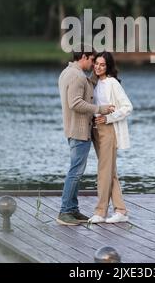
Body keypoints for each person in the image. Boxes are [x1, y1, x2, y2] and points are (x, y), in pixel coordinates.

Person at [57, 46, 114, 226]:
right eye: (91, 60)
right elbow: (75, 103)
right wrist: (100, 109)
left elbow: (83, 90)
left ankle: (72, 209)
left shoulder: (68, 72)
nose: (92, 64)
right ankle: (65, 211)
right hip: (79, 130)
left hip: (72, 129)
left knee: (76, 170)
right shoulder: (77, 76)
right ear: (83, 57)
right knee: (75, 172)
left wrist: (97, 78)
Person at [89, 51, 133, 224]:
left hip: (108, 130)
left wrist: (108, 118)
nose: (98, 67)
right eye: (96, 64)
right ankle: (121, 211)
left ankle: (100, 212)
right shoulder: (93, 82)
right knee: (109, 172)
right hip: (95, 130)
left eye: (102, 65)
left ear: (108, 67)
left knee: (103, 172)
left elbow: (128, 107)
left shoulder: (112, 83)